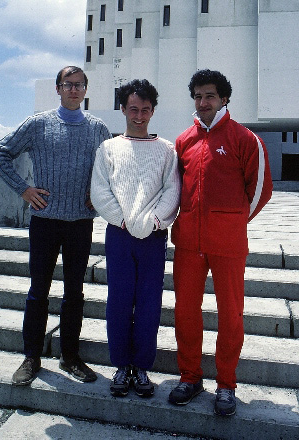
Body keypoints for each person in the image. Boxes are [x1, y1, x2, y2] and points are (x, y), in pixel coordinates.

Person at [0, 66, 110, 386]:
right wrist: (24, 189)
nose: (74, 90)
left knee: (74, 293)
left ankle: (70, 356)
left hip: (80, 224)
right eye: (67, 85)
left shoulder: (98, 128)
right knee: (38, 291)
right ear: (58, 89)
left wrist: (98, 198)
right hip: (44, 221)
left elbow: (111, 167)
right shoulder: (38, 123)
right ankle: (31, 357)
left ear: (86, 90)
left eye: (79, 85)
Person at [168, 69, 272, 416]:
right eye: (198, 96)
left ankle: (226, 384)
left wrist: (232, 222)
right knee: (184, 312)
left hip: (227, 245)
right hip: (187, 243)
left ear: (224, 98)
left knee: (230, 315)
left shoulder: (245, 138)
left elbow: (260, 190)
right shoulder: (184, 141)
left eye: (210, 96)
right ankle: (190, 376)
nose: (203, 102)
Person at [90, 79, 180, 398]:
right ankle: (120, 365)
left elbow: (172, 190)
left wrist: (154, 220)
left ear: (153, 111)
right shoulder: (109, 149)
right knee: (118, 301)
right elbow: (99, 190)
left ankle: (141, 367)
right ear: (123, 109)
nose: (138, 115)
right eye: (133, 109)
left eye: (145, 109)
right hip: (120, 234)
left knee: (148, 304)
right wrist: (124, 219)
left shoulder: (166, 150)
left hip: (153, 238)